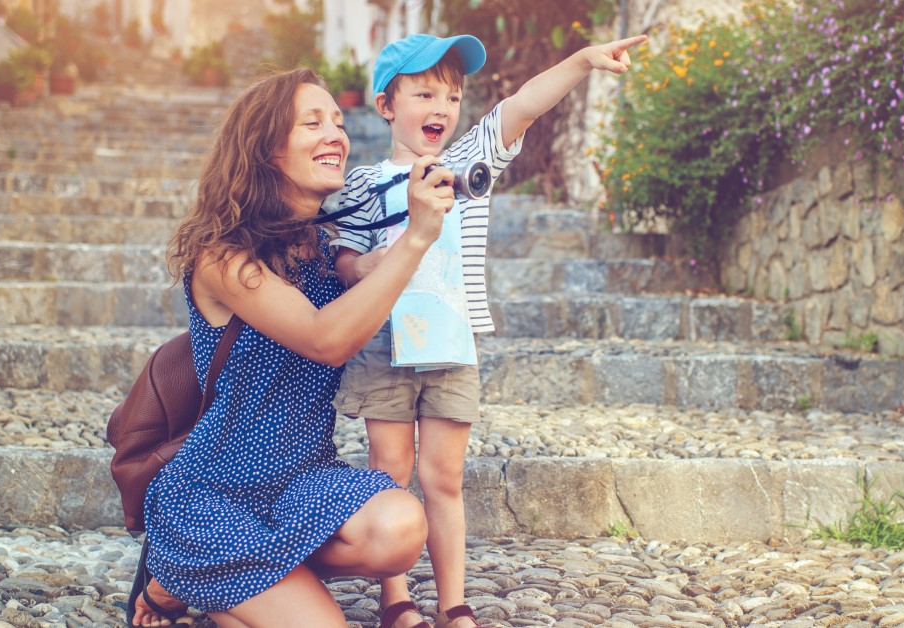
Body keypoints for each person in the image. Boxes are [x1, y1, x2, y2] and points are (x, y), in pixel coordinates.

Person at [326, 32, 647, 628]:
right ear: (386, 105)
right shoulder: (364, 183)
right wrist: (365, 265)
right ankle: (395, 598)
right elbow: (343, 259)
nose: (441, 108)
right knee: (388, 474)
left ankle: (455, 604)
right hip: (381, 347)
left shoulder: (468, 163)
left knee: (443, 476)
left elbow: (522, 105)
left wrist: (580, 61)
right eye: (424, 94)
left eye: (452, 96)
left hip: (453, 345)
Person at [127, 67, 459, 627]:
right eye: (313, 122)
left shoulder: (326, 253)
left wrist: (400, 239)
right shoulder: (223, 256)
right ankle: (182, 569)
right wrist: (418, 238)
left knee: (401, 526)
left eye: (337, 120)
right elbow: (325, 339)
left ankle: (218, 589)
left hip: (302, 481)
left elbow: (375, 278)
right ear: (266, 150)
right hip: (215, 494)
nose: (336, 133)